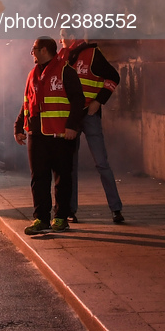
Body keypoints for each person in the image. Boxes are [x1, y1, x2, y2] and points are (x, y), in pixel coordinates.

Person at [14, 37, 85, 235]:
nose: (32, 53)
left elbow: (79, 100)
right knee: (39, 179)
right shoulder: (32, 74)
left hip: (61, 134)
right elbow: (27, 103)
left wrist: (72, 126)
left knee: (62, 178)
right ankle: (41, 219)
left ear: (44, 50)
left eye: (34, 48)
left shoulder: (65, 71)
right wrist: (18, 127)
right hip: (36, 135)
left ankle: (61, 217)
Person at [58, 29, 124, 223]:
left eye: (62, 36)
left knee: (102, 163)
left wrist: (98, 101)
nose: (59, 40)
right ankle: (70, 210)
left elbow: (114, 77)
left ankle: (116, 209)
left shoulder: (92, 54)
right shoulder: (61, 57)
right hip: (71, 118)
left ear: (70, 38)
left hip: (89, 115)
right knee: (70, 165)